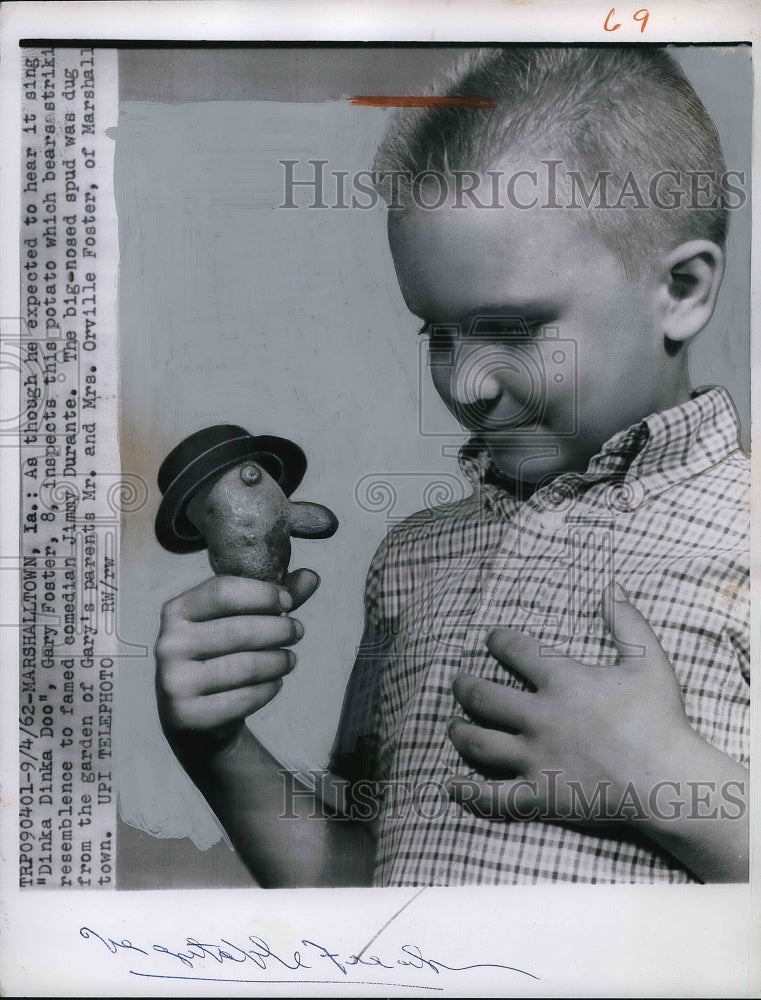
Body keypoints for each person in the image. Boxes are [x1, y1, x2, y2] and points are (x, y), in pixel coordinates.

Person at [154, 46, 749, 886]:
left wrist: (662, 777)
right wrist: (212, 746)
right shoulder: (409, 561)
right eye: (437, 332)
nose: (465, 385)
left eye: (511, 329)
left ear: (681, 290)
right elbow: (366, 882)